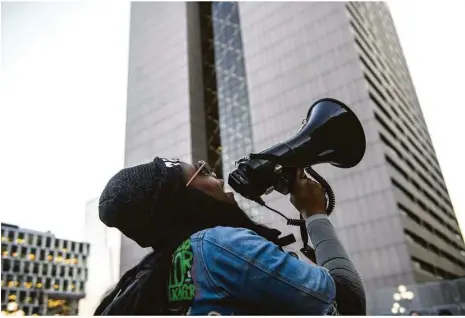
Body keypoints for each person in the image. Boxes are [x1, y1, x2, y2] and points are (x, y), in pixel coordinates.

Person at [97, 157, 366, 315]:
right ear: (185, 202)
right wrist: (314, 213)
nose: (219, 179)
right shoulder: (218, 247)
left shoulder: (146, 279)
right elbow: (349, 301)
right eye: (203, 172)